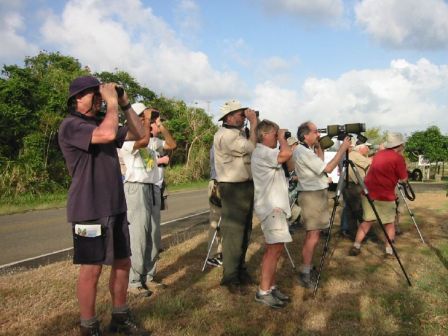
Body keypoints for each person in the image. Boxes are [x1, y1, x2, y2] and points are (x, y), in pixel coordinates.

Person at [58, 75, 149, 336]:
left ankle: (120, 317)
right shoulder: (71, 125)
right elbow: (107, 134)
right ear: (77, 98)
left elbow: (139, 134)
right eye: (93, 94)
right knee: (92, 268)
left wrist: (125, 104)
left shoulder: (103, 119)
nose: (99, 98)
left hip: (116, 207)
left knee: (122, 262)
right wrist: (110, 104)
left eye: (100, 93)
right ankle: (89, 326)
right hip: (88, 209)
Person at [294, 121, 351, 288]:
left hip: (313, 195)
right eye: (315, 132)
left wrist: (320, 147)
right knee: (313, 236)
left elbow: (318, 163)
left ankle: (307, 267)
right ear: (305, 135)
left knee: (313, 234)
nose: (318, 134)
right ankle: (305, 272)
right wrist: (342, 149)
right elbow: (327, 168)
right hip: (312, 197)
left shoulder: (305, 151)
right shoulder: (303, 152)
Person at [213, 99, 258, 292]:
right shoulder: (227, 136)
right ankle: (230, 277)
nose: (244, 117)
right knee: (234, 233)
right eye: (241, 114)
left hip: (243, 186)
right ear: (229, 117)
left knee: (245, 230)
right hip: (233, 188)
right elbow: (253, 149)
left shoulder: (236, 134)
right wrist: (254, 123)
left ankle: (239, 270)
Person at [120, 102, 160, 297]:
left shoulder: (148, 139)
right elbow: (142, 141)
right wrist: (143, 119)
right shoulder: (126, 137)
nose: (149, 121)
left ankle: (149, 276)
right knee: (138, 235)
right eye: (144, 117)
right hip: (135, 188)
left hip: (150, 187)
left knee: (153, 234)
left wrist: (151, 121)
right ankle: (134, 281)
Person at [252, 120, 293, 308]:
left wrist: (282, 139)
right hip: (271, 208)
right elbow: (286, 154)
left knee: (276, 250)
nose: (277, 137)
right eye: (275, 134)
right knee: (273, 250)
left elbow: (288, 163)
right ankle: (263, 291)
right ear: (265, 135)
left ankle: (271, 286)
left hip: (276, 208)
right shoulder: (262, 151)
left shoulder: (267, 153)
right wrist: (284, 139)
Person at [349, 132, 408, 258]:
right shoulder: (398, 158)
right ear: (400, 145)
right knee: (389, 223)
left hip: (368, 193)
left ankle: (356, 246)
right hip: (385, 195)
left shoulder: (379, 154)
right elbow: (403, 179)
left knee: (366, 222)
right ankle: (388, 251)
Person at [147, 111, 176, 287]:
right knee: (145, 233)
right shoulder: (139, 140)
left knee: (155, 232)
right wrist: (159, 161)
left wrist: (163, 126)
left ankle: (149, 274)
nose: (157, 125)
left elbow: (172, 144)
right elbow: (141, 165)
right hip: (145, 187)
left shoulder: (156, 141)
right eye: (155, 123)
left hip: (156, 187)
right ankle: (140, 275)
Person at [340, 142, 372, 239]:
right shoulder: (355, 155)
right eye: (367, 147)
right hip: (354, 186)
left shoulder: (351, 155)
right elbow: (370, 163)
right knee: (359, 210)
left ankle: (352, 232)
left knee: (350, 210)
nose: (368, 149)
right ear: (360, 148)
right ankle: (363, 233)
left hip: (348, 185)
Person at [206, 146, 223, 267]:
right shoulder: (218, 142)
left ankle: (221, 252)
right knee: (215, 221)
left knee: (223, 222)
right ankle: (211, 255)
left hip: (223, 183)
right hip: (217, 183)